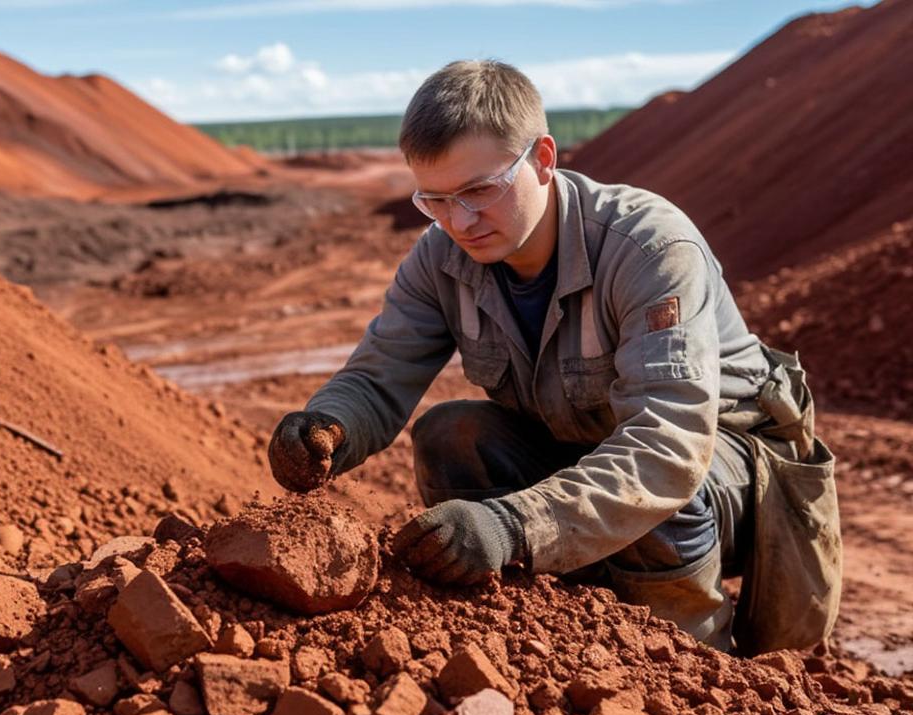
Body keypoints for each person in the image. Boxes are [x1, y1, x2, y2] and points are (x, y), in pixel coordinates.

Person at [267, 60, 841, 653]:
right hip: (586, 453)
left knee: (659, 495)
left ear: (543, 159)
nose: (459, 221)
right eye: (434, 199)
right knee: (451, 434)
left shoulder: (648, 247)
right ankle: (552, 621)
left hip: (726, 475)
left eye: (479, 191)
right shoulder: (440, 257)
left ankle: (694, 659)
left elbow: (668, 447)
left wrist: (511, 525)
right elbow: (379, 372)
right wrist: (327, 425)